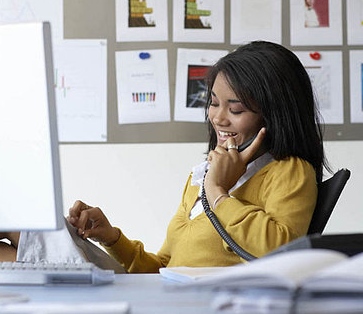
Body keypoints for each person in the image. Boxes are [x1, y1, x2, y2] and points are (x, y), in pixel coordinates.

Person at [68, 41, 328, 273]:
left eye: (235, 109)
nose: (218, 118)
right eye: (214, 103)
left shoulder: (290, 171)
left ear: (274, 114)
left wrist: (217, 192)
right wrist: (112, 238)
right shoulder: (203, 173)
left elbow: (278, 254)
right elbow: (165, 268)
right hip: (180, 302)